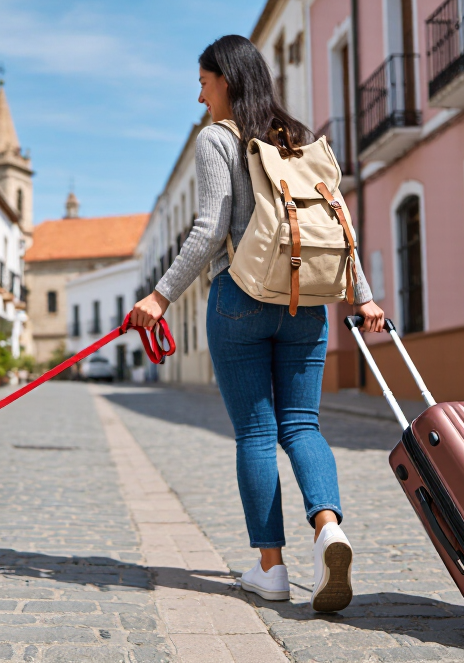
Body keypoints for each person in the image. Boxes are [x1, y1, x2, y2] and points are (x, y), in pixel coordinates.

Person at [127, 34, 386, 613]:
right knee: (303, 425)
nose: (200, 98)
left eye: (203, 84)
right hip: (305, 302)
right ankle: (328, 529)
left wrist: (160, 297)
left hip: (240, 297)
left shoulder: (217, 139)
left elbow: (210, 229)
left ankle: (271, 569)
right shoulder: (298, 136)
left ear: (225, 79)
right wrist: (363, 298)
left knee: (255, 434)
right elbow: (334, 223)